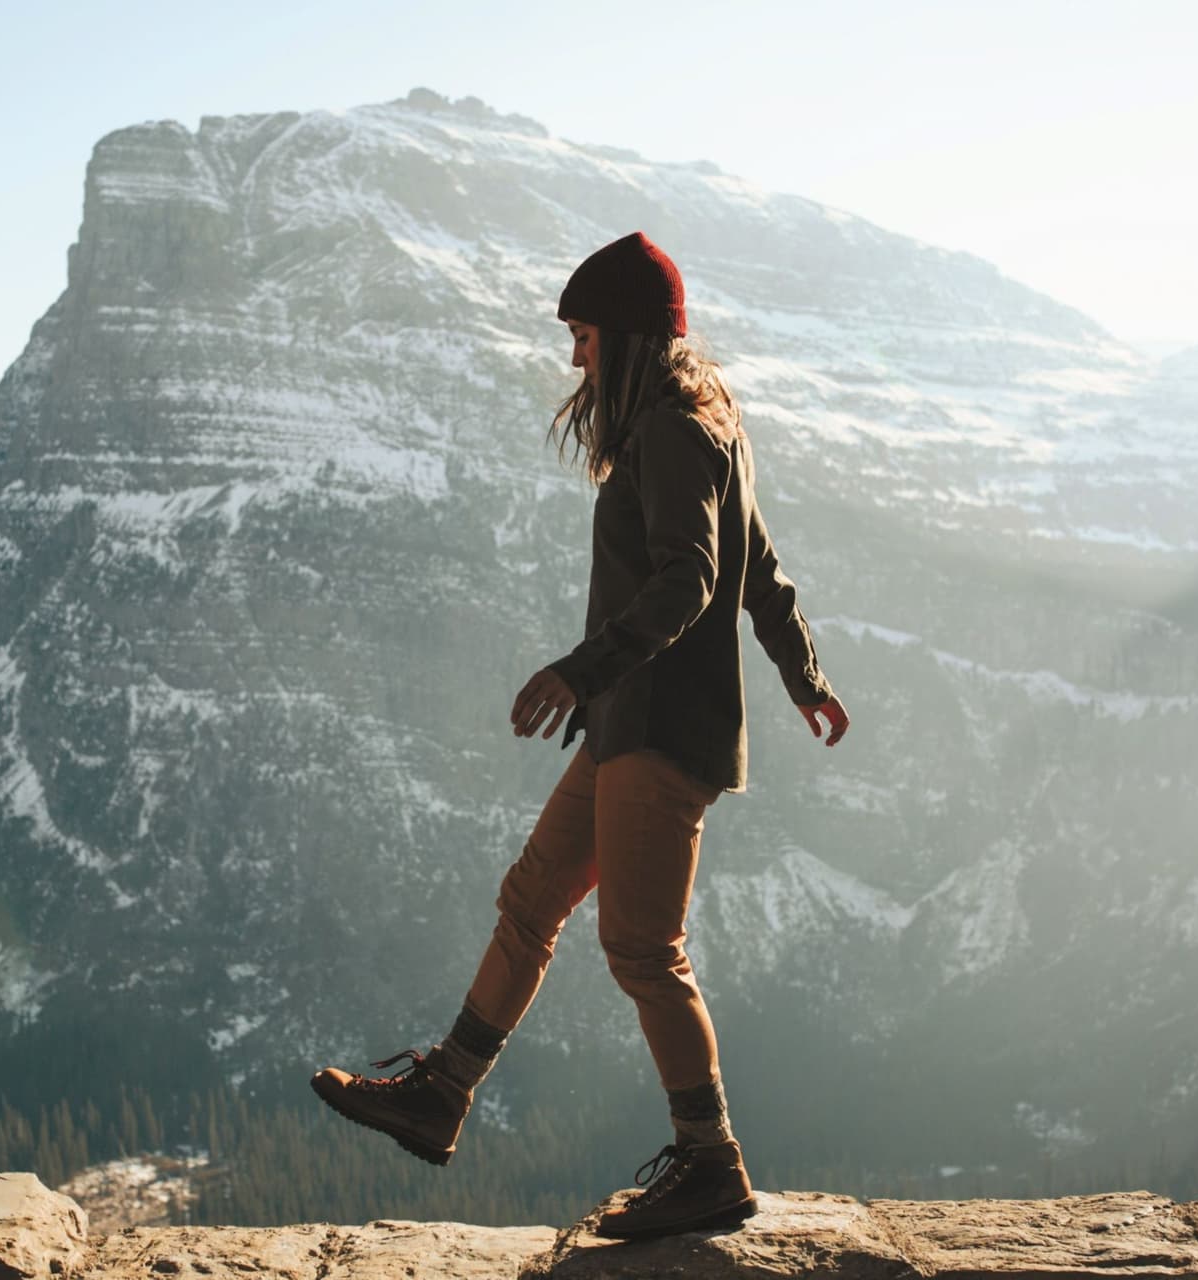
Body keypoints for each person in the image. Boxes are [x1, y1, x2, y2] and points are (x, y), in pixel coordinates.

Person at [311, 230, 849, 1240]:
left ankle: (709, 1160)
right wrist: (804, 677)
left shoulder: (677, 435)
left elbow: (697, 578)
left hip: (656, 732)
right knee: (529, 899)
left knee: (643, 948)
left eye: (585, 336)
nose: (575, 359)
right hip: (623, 729)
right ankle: (440, 1095)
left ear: (634, 338)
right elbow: (762, 573)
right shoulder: (699, 424)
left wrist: (578, 668)